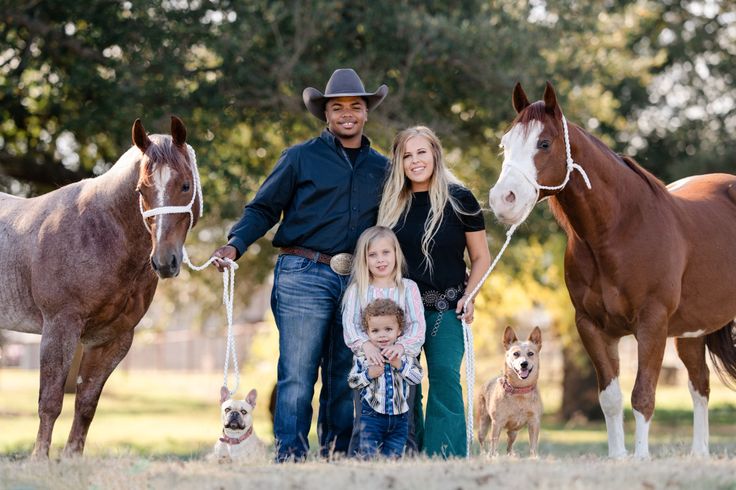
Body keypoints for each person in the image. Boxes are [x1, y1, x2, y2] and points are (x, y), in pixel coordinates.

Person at [210, 68, 389, 462]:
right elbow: (263, 208)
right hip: (302, 275)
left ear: (365, 113)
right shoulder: (299, 158)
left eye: (355, 107)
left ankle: (336, 453)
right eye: (337, 107)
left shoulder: (383, 167)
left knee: (345, 375)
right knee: (298, 374)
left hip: (357, 281)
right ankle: (290, 455)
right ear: (325, 114)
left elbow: (396, 225)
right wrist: (235, 245)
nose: (347, 114)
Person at [377, 126, 491, 458]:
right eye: (407, 156)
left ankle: (446, 457)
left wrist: (470, 296)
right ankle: (409, 454)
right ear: (399, 162)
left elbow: (481, 257)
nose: (415, 161)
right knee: (404, 384)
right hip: (400, 313)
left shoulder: (461, 199)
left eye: (421, 152)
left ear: (435, 154)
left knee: (444, 378)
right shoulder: (391, 205)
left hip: (447, 308)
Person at [347, 298, 423, 458]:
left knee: (393, 457)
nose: (382, 335)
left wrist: (399, 365)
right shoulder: (363, 357)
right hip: (372, 416)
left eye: (388, 329)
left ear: (399, 330)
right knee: (368, 455)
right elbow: (352, 381)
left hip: (400, 417)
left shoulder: (405, 356)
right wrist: (369, 374)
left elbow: (417, 378)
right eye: (375, 331)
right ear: (367, 332)